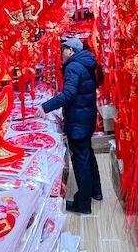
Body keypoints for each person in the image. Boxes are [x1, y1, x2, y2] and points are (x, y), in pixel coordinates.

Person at [38, 36, 102, 214]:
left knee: (80, 161)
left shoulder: (73, 67)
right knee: (88, 155)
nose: (61, 54)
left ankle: (83, 204)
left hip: (78, 120)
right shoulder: (86, 63)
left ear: (70, 50)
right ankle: (96, 192)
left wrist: (46, 106)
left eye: (63, 50)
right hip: (87, 117)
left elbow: (69, 94)